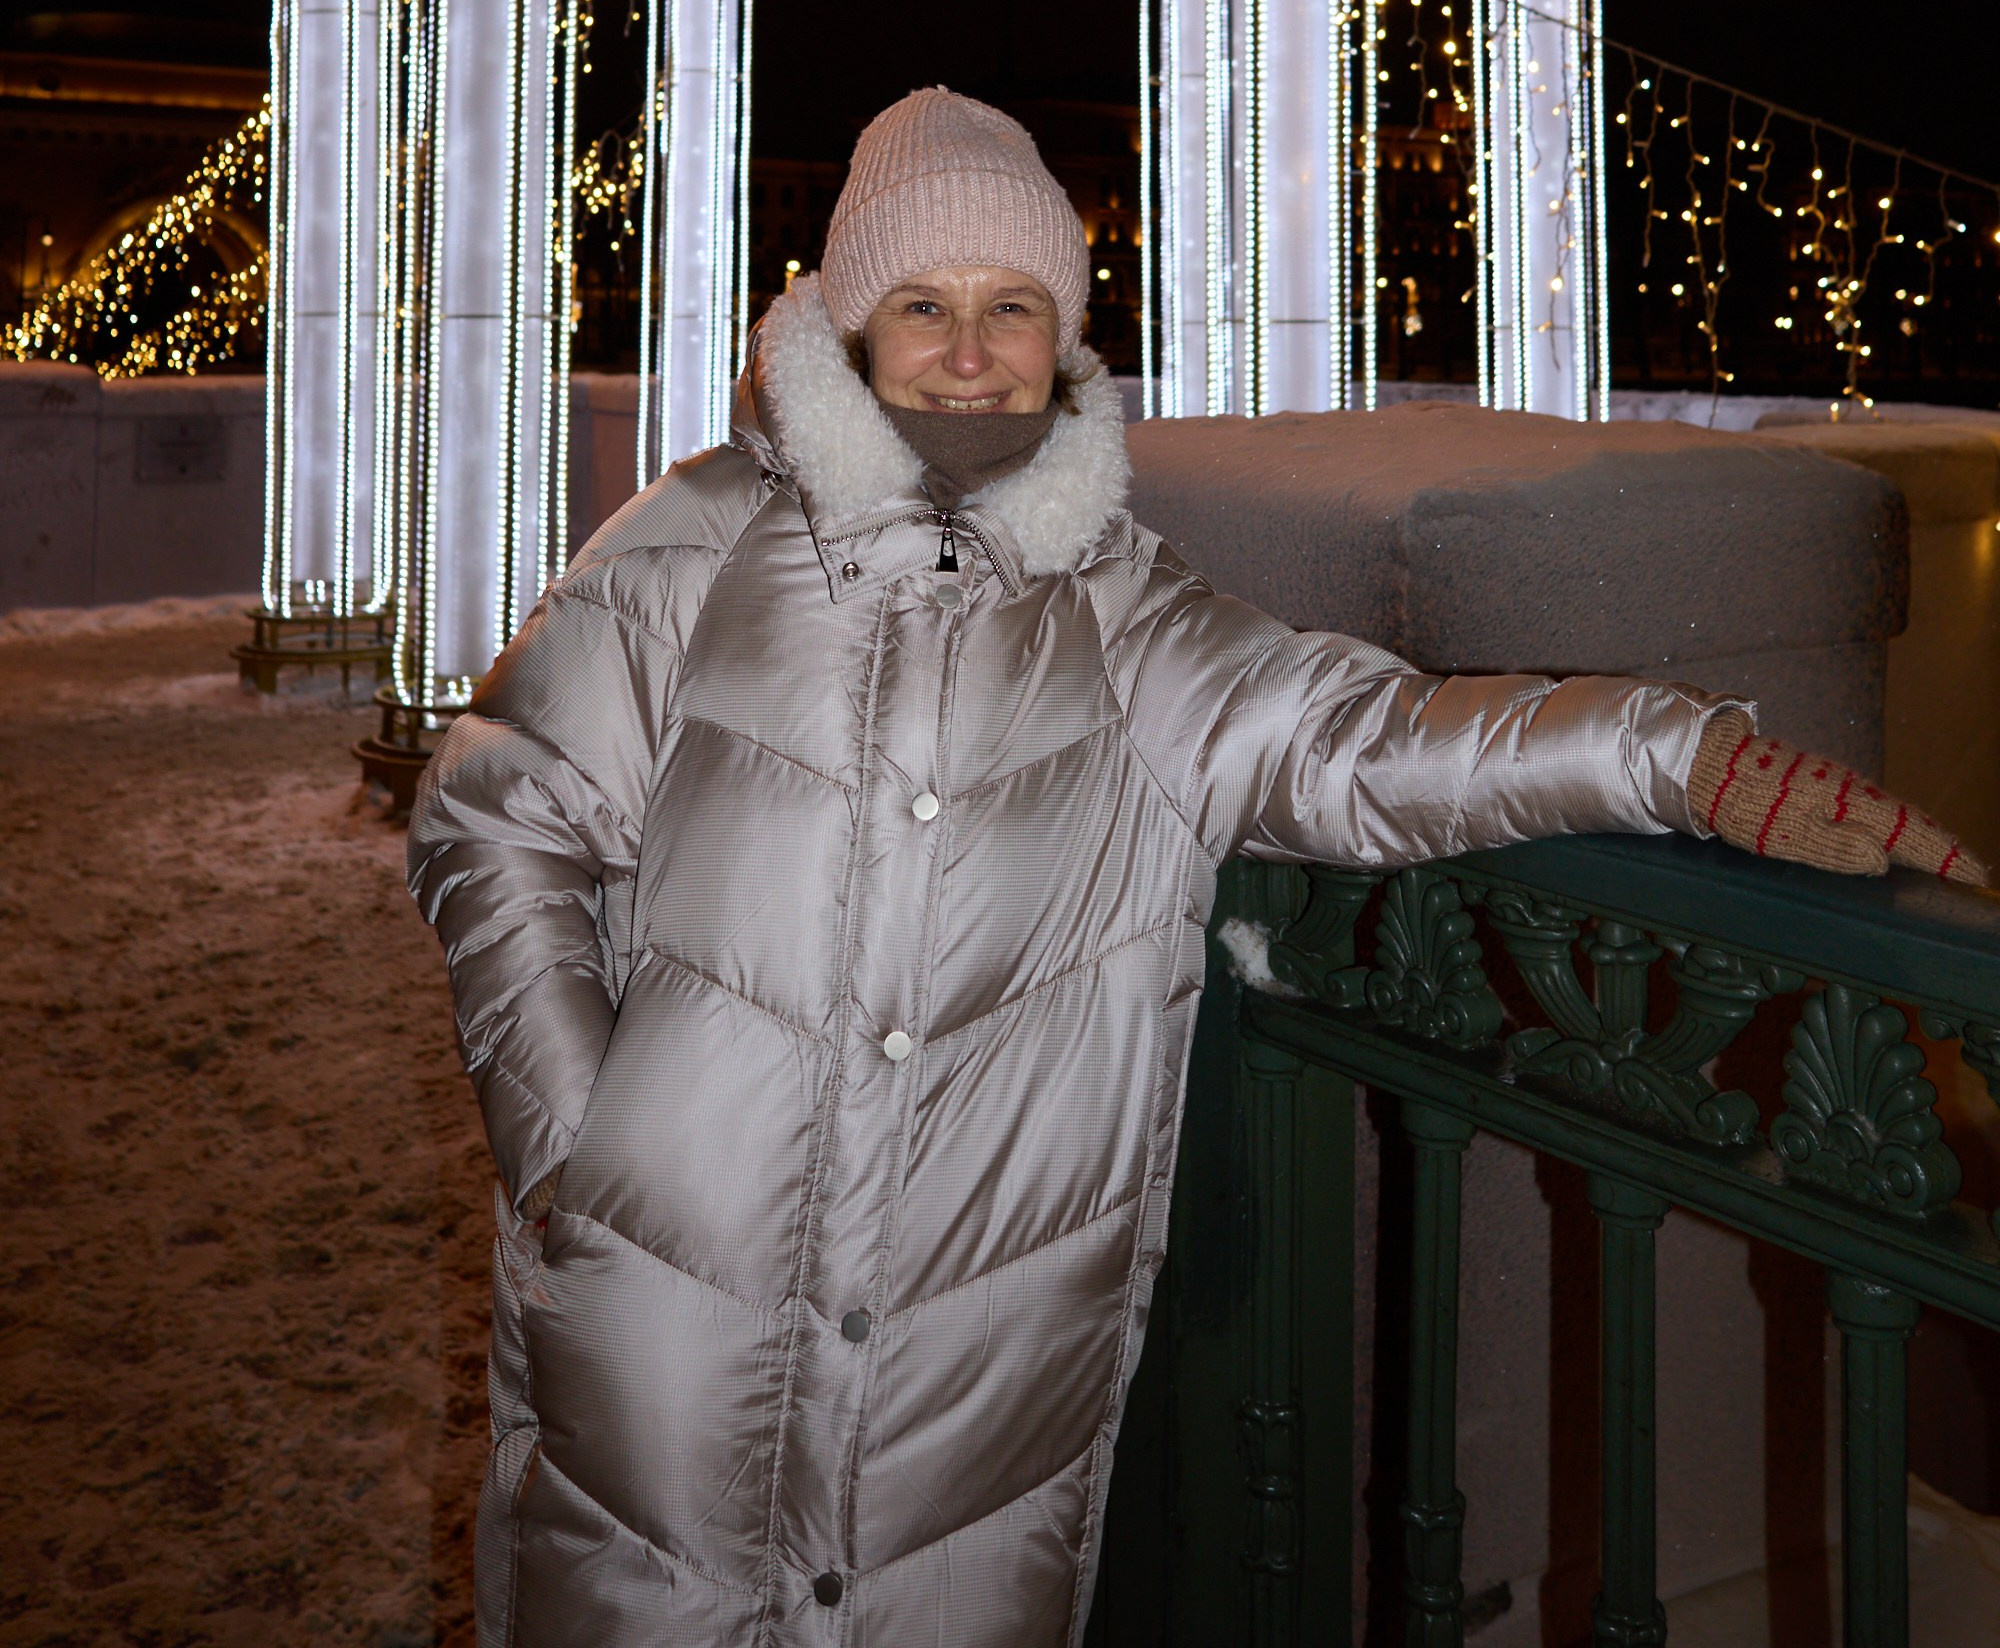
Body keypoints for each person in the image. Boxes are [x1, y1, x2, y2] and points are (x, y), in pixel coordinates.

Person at [409, 88, 1980, 1648]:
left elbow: (1370, 747)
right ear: (850, 321)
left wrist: (1680, 758)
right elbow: (497, 816)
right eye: (926, 303)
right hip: (663, 1337)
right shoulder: (692, 545)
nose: (970, 351)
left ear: (1065, 337)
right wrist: (575, 1153)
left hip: (974, 1396)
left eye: (1014, 306)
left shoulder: (1129, 618)